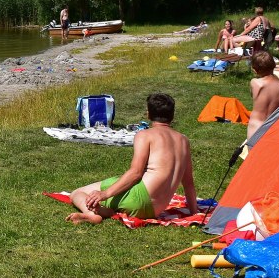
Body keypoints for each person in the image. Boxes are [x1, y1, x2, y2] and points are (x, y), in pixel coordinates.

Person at [65, 93, 198, 223]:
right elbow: (188, 183)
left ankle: (92, 215)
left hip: (138, 198)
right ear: (172, 115)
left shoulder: (145, 135)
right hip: (156, 209)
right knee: (119, 183)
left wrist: (105, 194)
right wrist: (194, 212)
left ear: (148, 114)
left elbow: (135, 173)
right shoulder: (183, 140)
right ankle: (107, 211)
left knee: (78, 193)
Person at [248, 51, 279, 141]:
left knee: (253, 153)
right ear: (273, 66)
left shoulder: (255, 83)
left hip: (256, 125)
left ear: (255, 69)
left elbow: (253, 95)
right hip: (272, 125)